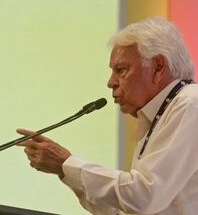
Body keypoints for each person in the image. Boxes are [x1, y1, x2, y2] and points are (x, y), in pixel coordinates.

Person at [18, 17, 198, 214]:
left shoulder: (190, 103)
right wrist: (65, 170)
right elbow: (130, 210)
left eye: (121, 70)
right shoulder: (157, 115)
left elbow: (144, 196)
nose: (110, 82)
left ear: (158, 67)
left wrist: (66, 164)